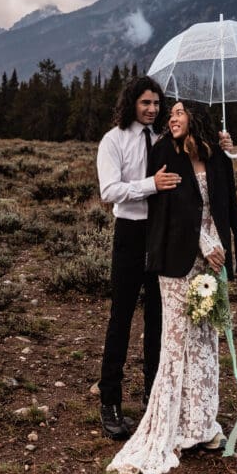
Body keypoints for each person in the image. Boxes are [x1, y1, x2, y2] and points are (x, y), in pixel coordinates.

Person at [106, 99, 237, 474]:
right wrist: (204, 242)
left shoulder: (215, 155)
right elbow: (172, 209)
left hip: (210, 262)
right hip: (176, 260)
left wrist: (219, 248)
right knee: (176, 342)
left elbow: (222, 203)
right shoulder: (165, 151)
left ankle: (201, 427)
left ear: (196, 118)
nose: (172, 117)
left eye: (179, 112)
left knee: (205, 342)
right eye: (171, 114)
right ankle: (170, 428)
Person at [96, 75, 176, 439]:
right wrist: (150, 185)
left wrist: (225, 146)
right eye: (146, 103)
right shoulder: (113, 141)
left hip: (160, 236)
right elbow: (109, 190)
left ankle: (152, 398)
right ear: (132, 103)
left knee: (158, 320)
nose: (152, 109)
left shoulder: (162, 139)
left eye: (157, 103)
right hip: (129, 235)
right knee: (122, 318)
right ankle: (110, 402)